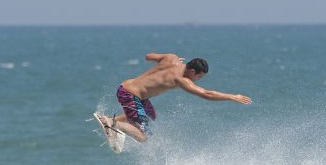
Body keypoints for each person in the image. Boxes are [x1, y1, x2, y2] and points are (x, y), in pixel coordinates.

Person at [98, 53, 253, 142]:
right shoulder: (182, 80)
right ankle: (111, 123)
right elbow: (206, 94)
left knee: (150, 116)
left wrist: (169, 62)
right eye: (199, 77)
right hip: (131, 96)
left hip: (126, 86)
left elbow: (148, 56)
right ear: (192, 71)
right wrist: (232, 96)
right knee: (144, 137)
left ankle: (115, 121)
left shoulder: (171, 58)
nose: (197, 80)